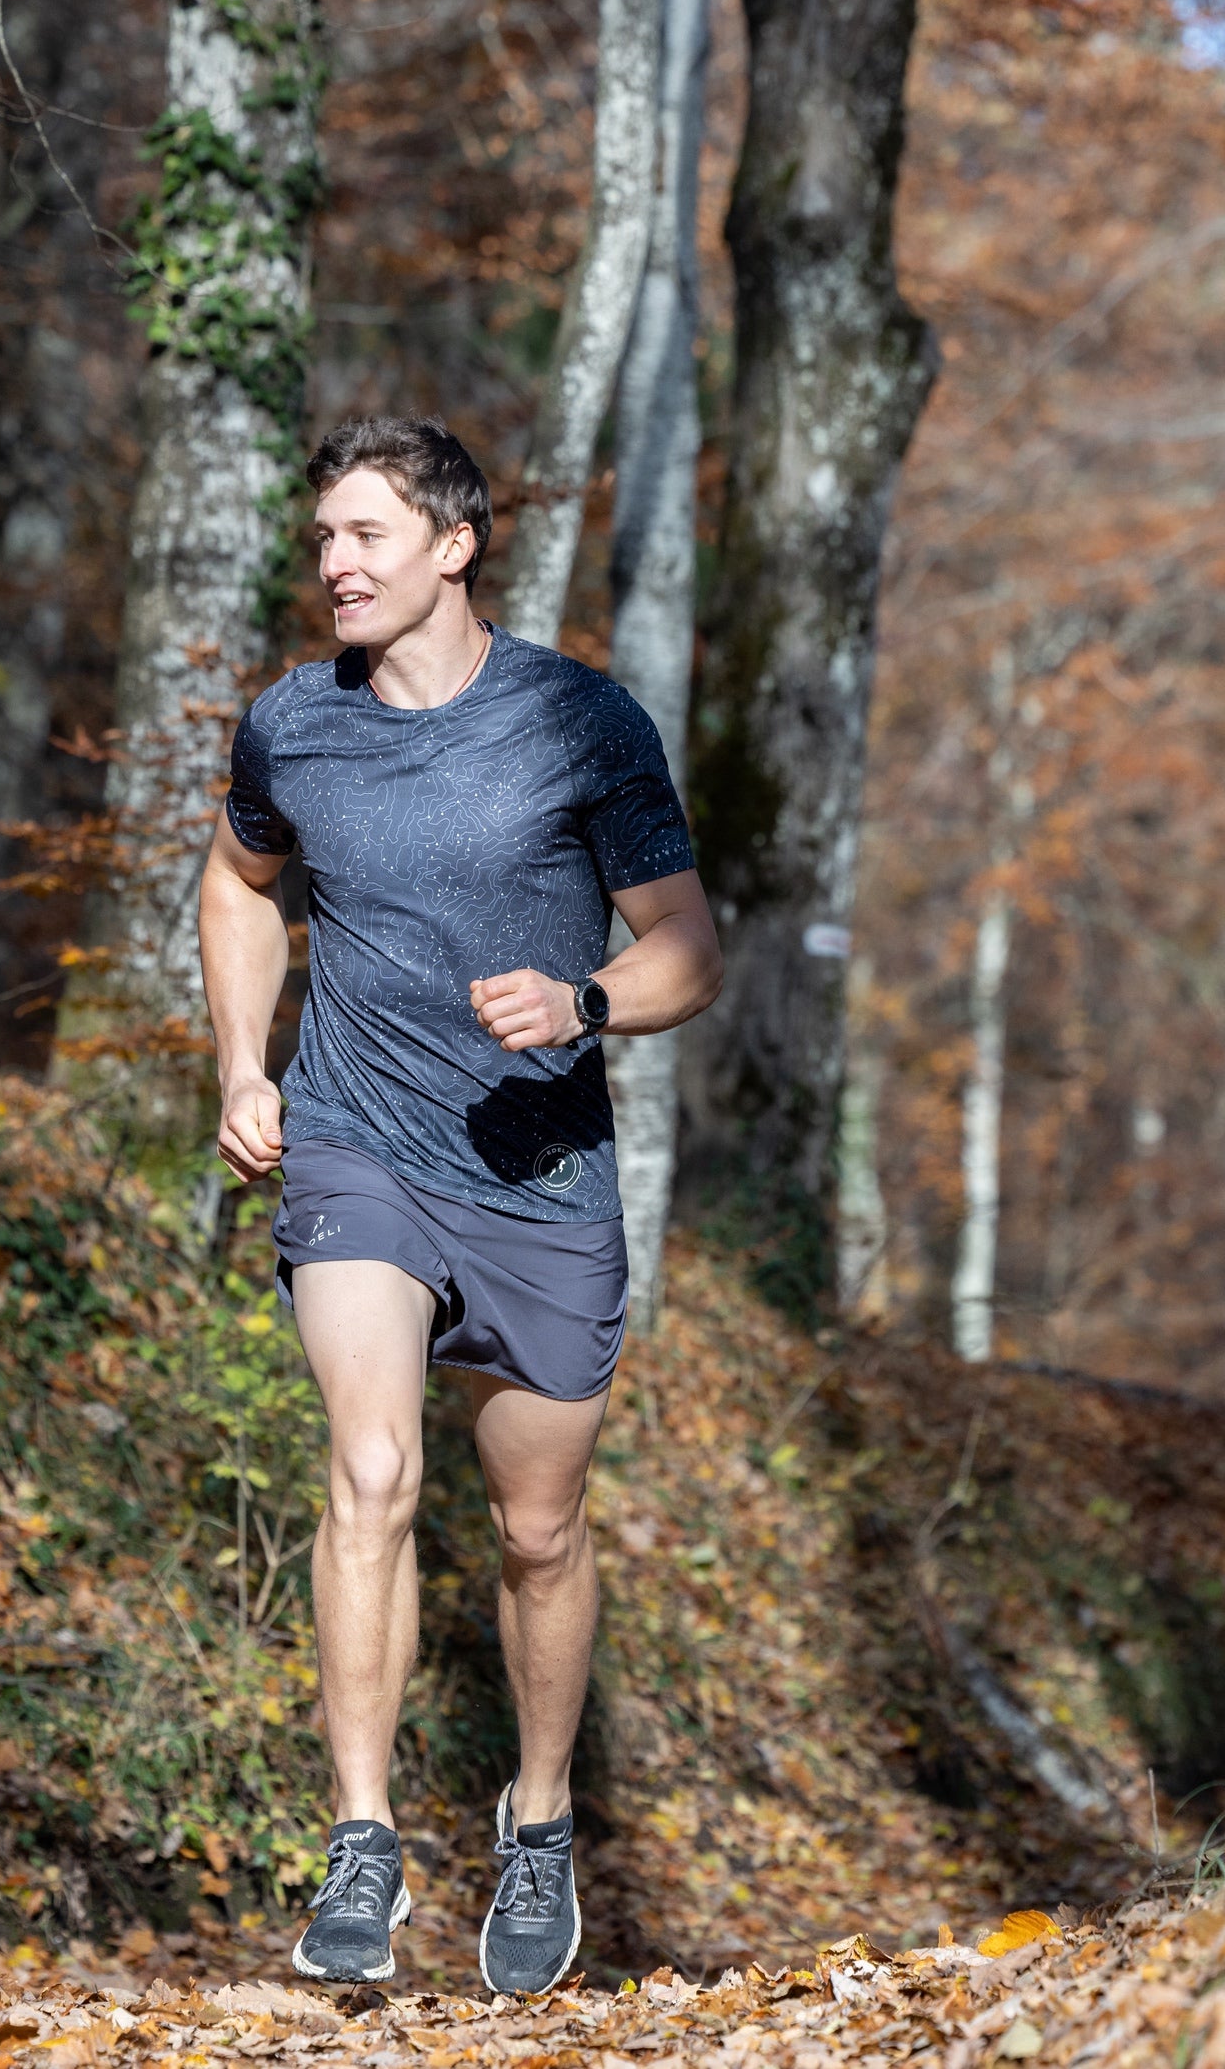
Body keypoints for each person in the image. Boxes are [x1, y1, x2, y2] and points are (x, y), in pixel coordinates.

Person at [200, 417, 723, 1994]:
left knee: (538, 1529)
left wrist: (584, 999)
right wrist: (243, 1061)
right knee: (369, 1467)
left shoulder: (577, 720)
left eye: (365, 536)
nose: (335, 566)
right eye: (322, 542)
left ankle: (541, 1816)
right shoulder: (292, 726)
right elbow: (239, 884)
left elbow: (689, 949)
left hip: (540, 1173)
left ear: (454, 543)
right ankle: (361, 1841)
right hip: (358, 1142)